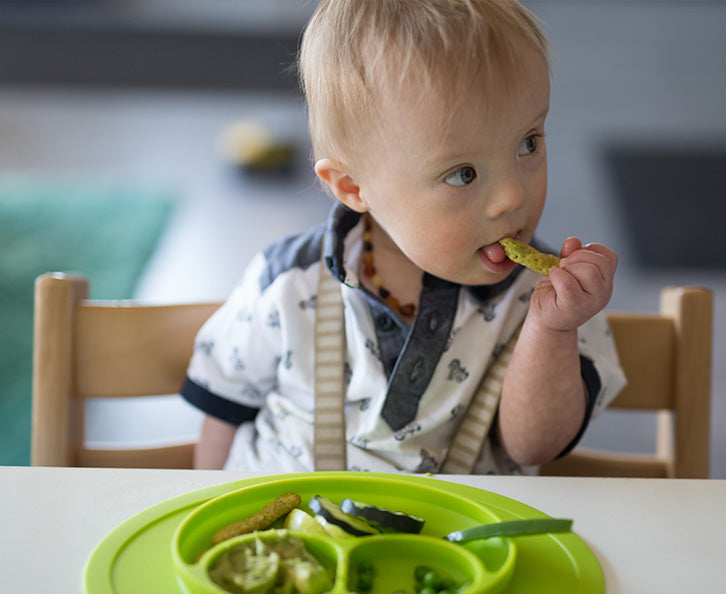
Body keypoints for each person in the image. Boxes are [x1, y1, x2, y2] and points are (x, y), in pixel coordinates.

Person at [181, 0, 627, 474]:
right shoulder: (287, 283)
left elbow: (533, 448)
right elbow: (222, 415)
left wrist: (552, 331)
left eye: (528, 143)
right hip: (290, 536)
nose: (512, 196)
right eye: (463, 174)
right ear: (354, 187)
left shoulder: (551, 302)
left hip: (459, 544)